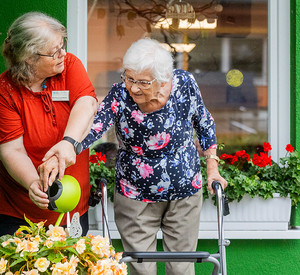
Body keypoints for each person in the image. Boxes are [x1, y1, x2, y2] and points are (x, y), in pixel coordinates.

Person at [41, 37, 227, 275]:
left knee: (182, 268)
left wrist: (212, 169)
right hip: (134, 194)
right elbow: (95, 126)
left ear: (163, 80)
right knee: (141, 269)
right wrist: (69, 147)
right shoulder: (120, 94)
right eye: (128, 78)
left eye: (142, 82)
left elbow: (204, 122)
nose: (133, 87)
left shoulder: (185, 83)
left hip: (185, 192)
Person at [0, 12, 98, 236]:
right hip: (19, 211)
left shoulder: (70, 65)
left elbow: (87, 104)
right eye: (55, 51)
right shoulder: (5, 91)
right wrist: (34, 183)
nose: (63, 53)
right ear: (29, 58)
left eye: (62, 45)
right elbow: (12, 149)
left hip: (71, 206)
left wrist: (68, 143)